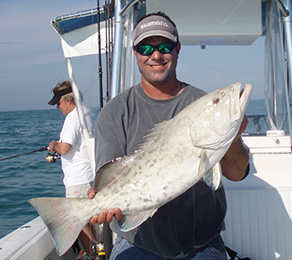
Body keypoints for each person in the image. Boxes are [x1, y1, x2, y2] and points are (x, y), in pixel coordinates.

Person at [88, 12, 250, 260]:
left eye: (165, 46)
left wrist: (233, 136)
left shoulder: (198, 102)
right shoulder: (115, 112)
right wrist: (100, 203)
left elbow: (237, 174)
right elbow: (108, 178)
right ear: (135, 53)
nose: (156, 55)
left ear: (177, 49)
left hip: (202, 244)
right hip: (138, 243)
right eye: (145, 48)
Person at [47, 81, 96, 257]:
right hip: (90, 177)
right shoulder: (88, 113)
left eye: (58, 103)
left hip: (78, 180)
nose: (58, 108)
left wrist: (54, 145)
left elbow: (65, 148)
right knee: (87, 220)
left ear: (68, 100)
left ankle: (93, 255)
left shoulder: (73, 116)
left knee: (77, 220)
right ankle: (96, 252)